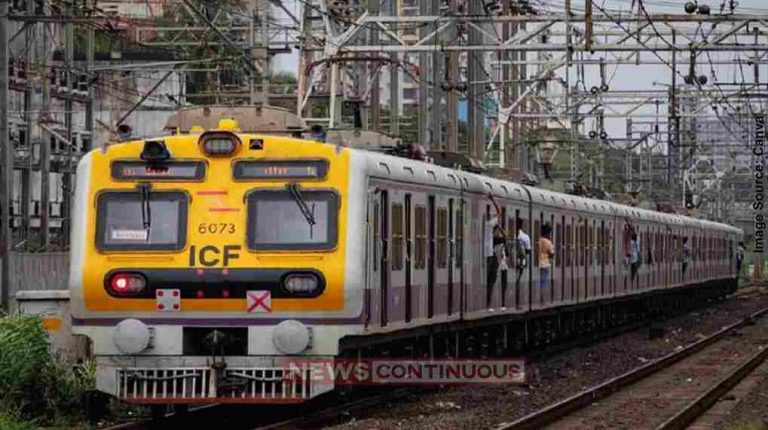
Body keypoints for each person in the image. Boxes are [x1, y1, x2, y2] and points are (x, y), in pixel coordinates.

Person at [485, 194, 505, 310]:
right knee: (491, 280)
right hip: (490, 255)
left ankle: (488, 304)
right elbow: (499, 212)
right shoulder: (490, 225)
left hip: (487, 254)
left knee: (490, 280)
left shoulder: (487, 226)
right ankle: (488, 304)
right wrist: (493, 199)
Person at [538, 223, 554, 295]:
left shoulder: (538, 241)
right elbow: (551, 254)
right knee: (543, 280)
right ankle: (542, 294)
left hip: (538, 263)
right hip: (545, 264)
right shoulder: (548, 242)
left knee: (539, 280)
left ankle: (539, 293)